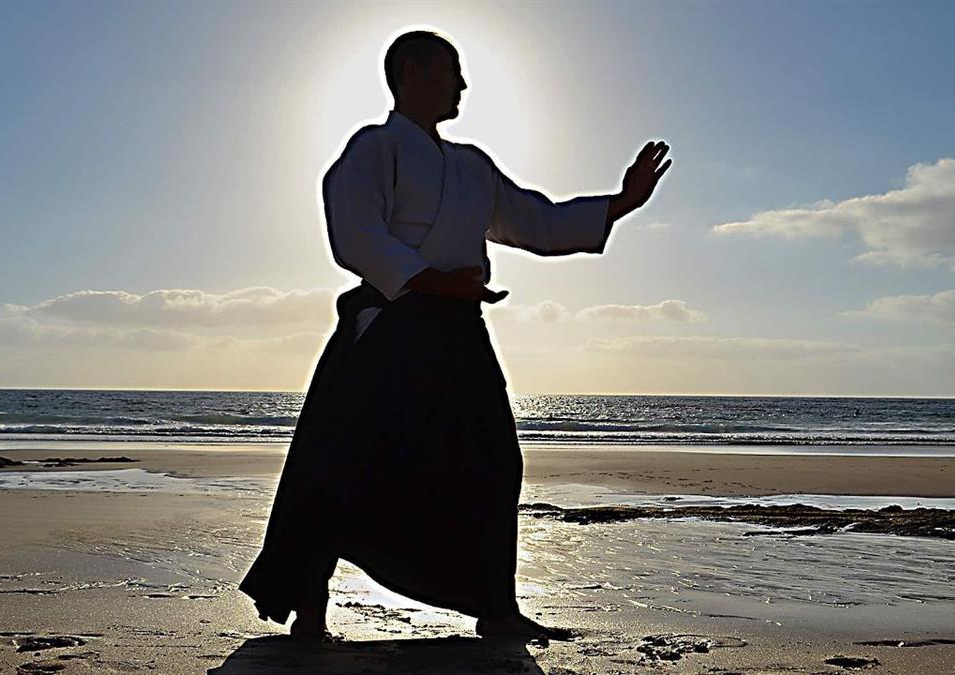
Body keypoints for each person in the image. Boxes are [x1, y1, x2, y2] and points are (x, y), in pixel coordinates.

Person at [238, 29, 670, 643]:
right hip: (391, 325)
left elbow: (538, 221)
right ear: (412, 73)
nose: (463, 85)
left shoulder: (472, 167)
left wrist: (621, 203)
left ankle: (496, 607)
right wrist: (434, 281)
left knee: (494, 461)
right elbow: (355, 235)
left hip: (460, 332)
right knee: (342, 461)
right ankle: (310, 607)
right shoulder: (375, 147)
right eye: (451, 71)